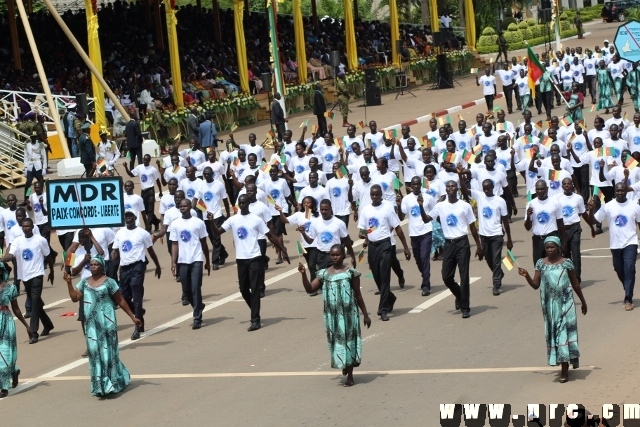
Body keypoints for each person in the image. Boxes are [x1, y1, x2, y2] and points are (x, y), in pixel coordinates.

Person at [208, 195, 290, 331]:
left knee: (255, 288)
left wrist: (283, 249)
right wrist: (211, 222)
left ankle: (255, 320)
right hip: (241, 259)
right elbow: (217, 233)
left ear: (248, 204)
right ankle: (255, 308)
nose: (242, 204)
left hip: (255, 257)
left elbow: (270, 236)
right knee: (243, 289)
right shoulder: (233, 220)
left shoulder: (256, 220)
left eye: (244, 202)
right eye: (240, 202)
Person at [63, 255, 141, 396]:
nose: (93, 266)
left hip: (107, 322)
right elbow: (75, 298)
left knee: (107, 352)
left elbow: (121, 300)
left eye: (96, 264)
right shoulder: (84, 283)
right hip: (91, 324)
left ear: (102, 267)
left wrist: (133, 317)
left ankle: (111, 383)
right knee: (94, 353)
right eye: (91, 264)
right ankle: (99, 385)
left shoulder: (109, 282)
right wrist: (69, 283)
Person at [298, 244, 371, 387]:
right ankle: (343, 363)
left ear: (343, 256)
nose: (334, 257)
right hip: (333, 316)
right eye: (332, 255)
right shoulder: (324, 274)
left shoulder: (351, 273)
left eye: (337, 255)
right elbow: (309, 289)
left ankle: (350, 375)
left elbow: (358, 295)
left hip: (349, 314)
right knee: (337, 342)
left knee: (349, 342)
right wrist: (303, 274)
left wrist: (365, 315)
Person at [518, 236, 587, 383]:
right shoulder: (541, 264)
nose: (549, 250)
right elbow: (536, 285)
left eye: (552, 247)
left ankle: (564, 371)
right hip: (550, 308)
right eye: (547, 247)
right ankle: (562, 363)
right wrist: (527, 276)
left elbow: (575, 284)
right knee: (555, 335)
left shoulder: (567, 263)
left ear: (558, 247)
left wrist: (583, 301)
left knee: (563, 334)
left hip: (566, 305)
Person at [418, 181, 483, 318]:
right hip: (448, 244)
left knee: (464, 276)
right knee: (446, 277)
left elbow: (472, 227)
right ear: (446, 190)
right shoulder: (440, 206)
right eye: (448, 186)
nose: (450, 188)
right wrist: (420, 206)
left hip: (462, 243)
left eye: (453, 186)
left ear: (457, 189)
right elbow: (426, 220)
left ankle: (465, 307)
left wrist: (479, 245)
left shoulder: (465, 206)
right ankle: (459, 294)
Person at [357, 185, 411, 321]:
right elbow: (362, 231)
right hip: (373, 247)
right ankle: (391, 298)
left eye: (377, 195)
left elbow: (397, 228)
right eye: (372, 195)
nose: (374, 197)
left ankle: (383, 309)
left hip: (385, 245)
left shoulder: (387, 208)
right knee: (377, 277)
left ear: (381, 194)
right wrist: (366, 234)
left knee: (385, 277)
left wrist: (405, 247)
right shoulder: (365, 210)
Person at [111, 209, 162, 340]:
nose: (128, 218)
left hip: (138, 266)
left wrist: (157, 265)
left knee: (136, 294)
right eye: (126, 216)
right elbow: (115, 250)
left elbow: (150, 250)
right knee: (123, 297)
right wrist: (113, 255)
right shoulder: (120, 233)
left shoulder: (142, 233)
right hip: (124, 268)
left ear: (135, 217)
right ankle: (138, 312)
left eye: (130, 216)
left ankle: (137, 328)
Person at [3, 218, 54, 344]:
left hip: (37, 275)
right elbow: (11, 255)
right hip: (24, 276)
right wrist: (3, 259)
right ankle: (48, 325)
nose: (25, 228)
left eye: (28, 226)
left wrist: (52, 272)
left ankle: (34, 332)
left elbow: (48, 256)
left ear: (32, 227)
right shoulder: (17, 241)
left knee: (34, 302)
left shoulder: (40, 240)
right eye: (24, 226)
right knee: (35, 302)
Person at [590, 182, 640, 311]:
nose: (620, 193)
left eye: (622, 190)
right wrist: (590, 209)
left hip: (631, 242)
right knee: (619, 269)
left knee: (629, 267)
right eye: (617, 191)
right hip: (615, 244)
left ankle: (628, 298)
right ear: (614, 192)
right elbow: (593, 221)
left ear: (626, 191)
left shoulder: (635, 206)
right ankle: (627, 286)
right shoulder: (608, 206)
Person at [459, 177, 513, 296]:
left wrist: (509, 238)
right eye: (485, 189)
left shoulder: (500, 201)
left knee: (496, 259)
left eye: (489, 188)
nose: (487, 190)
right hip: (484, 235)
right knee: (488, 259)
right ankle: (498, 273)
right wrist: (459, 176)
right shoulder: (479, 196)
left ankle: (496, 283)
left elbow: (505, 220)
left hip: (497, 235)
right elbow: (464, 190)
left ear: (493, 187)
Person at [169, 199, 210, 330]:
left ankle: (197, 317)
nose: (183, 208)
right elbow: (174, 244)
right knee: (186, 290)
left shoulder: (198, 223)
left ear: (190, 207)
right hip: (182, 261)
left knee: (195, 287)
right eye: (181, 206)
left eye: (185, 206)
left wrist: (207, 260)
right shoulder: (175, 224)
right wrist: (173, 262)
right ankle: (198, 306)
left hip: (196, 259)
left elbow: (204, 243)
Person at [0, 260, 30, 398]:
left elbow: (16, 309)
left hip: (6, 322)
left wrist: (27, 325)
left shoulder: (10, 288)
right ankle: (14, 370)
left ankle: (4, 387)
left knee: (5, 353)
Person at [124, 154, 163, 232]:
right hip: (143, 191)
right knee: (145, 210)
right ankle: (156, 221)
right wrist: (126, 167)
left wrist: (160, 192)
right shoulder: (139, 167)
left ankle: (148, 228)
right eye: (144, 160)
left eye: (147, 160)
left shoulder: (153, 169)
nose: (145, 161)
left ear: (149, 160)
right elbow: (131, 175)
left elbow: (158, 181)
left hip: (151, 190)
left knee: (150, 210)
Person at [22, 132, 47, 205]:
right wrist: (26, 167)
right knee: (28, 184)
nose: (33, 138)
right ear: (30, 137)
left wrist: (44, 168)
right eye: (32, 137)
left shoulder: (40, 145)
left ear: (36, 137)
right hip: (30, 166)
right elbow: (25, 156)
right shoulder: (27, 145)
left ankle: (43, 197)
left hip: (38, 165)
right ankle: (26, 199)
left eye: (34, 137)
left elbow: (44, 157)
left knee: (41, 182)